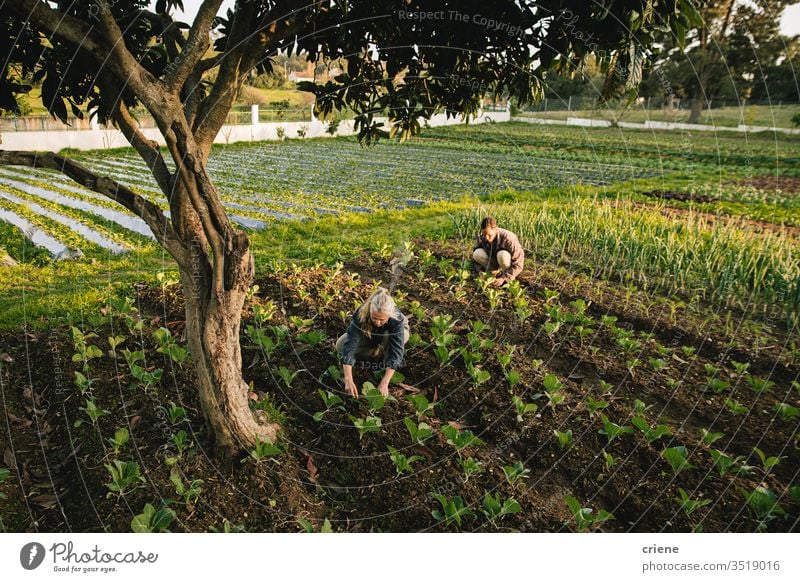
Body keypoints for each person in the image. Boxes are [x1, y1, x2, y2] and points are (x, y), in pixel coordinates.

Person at [335, 287, 410, 398]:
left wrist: (385, 383)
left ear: (389, 316)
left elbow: (396, 353)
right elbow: (350, 345)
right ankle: (374, 351)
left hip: (390, 335)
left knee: (386, 336)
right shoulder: (361, 314)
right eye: (374, 318)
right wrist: (348, 379)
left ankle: (382, 358)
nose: (378, 322)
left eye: (382, 320)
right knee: (340, 345)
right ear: (370, 310)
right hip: (370, 333)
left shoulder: (396, 319)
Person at [472, 216, 525, 287]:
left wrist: (504, 278)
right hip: (494, 261)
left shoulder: (509, 238)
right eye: (484, 234)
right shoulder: (482, 237)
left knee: (502, 255)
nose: (486, 238)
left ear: (495, 229)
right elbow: (475, 261)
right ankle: (493, 272)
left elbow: (519, 264)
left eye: (489, 234)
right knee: (476, 253)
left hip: (506, 263)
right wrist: (480, 272)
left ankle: (505, 275)